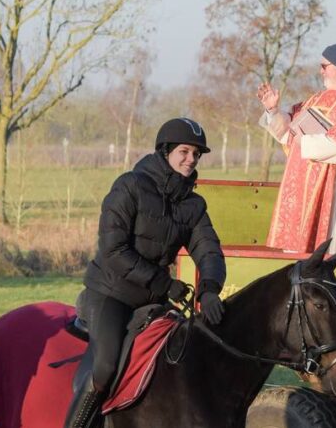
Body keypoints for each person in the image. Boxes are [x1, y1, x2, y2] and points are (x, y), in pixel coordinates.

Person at [64, 118, 227, 428]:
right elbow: (114, 251)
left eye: (196, 154)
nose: (190, 160)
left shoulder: (193, 204)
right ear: (165, 151)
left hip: (152, 300)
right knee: (104, 367)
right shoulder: (130, 186)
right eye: (184, 151)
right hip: (110, 293)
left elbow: (208, 250)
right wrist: (164, 283)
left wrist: (209, 288)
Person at [257, 40, 336, 256]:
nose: (320, 71)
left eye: (324, 66)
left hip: (335, 191)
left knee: (330, 259)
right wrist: (273, 111)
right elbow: (289, 132)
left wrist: (303, 142)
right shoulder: (317, 97)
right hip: (302, 189)